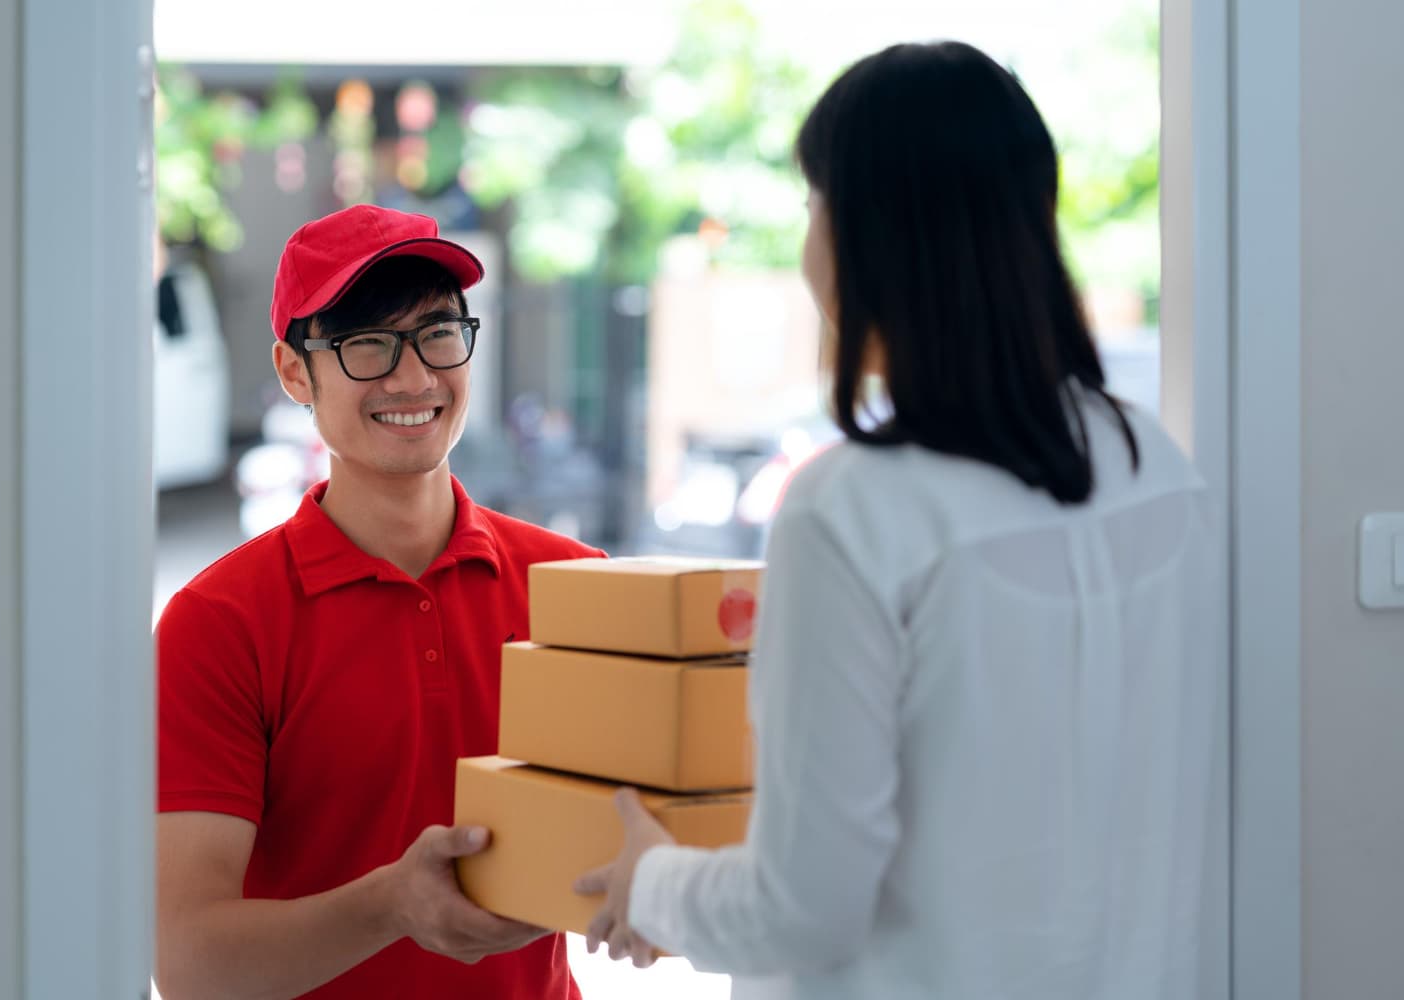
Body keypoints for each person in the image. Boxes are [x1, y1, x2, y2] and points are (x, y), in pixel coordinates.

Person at [577, 41, 1223, 1000]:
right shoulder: (1156, 471)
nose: (808, 250)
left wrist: (651, 881)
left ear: (870, 237)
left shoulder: (855, 510)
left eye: (814, 208)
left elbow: (802, 908)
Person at [155, 205, 601, 1000]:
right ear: (296, 373)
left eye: (436, 332)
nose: (413, 378)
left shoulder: (574, 585)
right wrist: (392, 905)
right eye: (366, 344)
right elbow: (191, 965)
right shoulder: (218, 624)